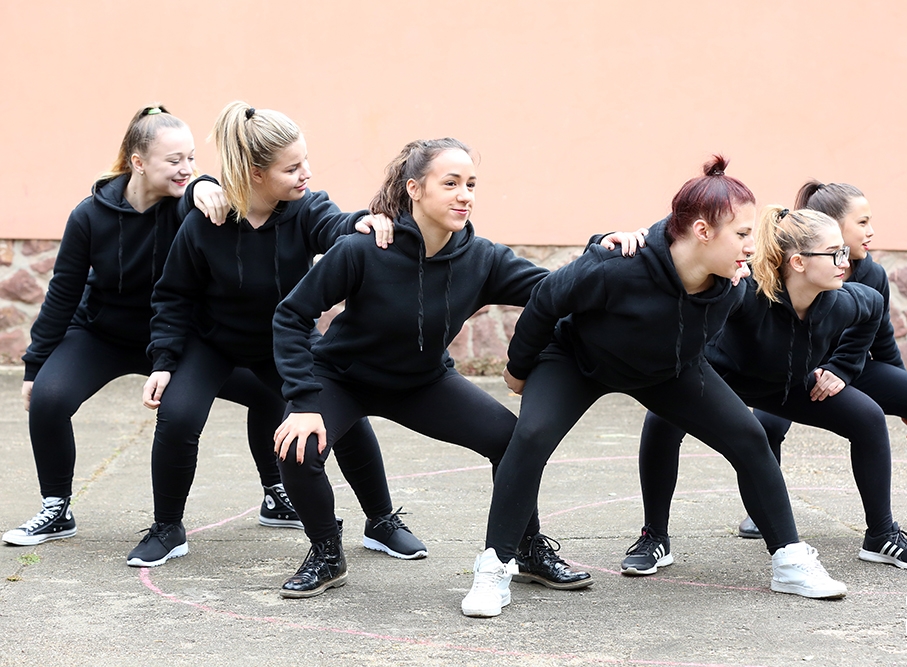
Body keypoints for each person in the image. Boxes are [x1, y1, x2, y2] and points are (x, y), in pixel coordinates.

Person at [462, 158, 849, 619]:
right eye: (742, 234)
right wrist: (517, 368)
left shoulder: (731, 285)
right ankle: (494, 567)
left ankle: (789, 560)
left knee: (748, 436)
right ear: (702, 231)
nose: (752, 245)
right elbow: (547, 299)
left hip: (667, 371)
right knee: (530, 436)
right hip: (576, 362)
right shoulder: (618, 264)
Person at [271, 137, 644, 599]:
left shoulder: (482, 258)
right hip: (342, 378)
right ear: (414, 189)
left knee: (511, 441)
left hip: (422, 383)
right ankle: (327, 553)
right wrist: (303, 401)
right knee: (297, 448)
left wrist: (600, 248)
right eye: (450, 183)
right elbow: (291, 315)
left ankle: (526, 549)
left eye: (471, 184)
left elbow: (555, 289)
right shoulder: (363, 249)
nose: (464, 195)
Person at [125, 102, 405, 567]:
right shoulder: (205, 221)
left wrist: (362, 221)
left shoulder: (305, 208)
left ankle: (381, 521)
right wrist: (164, 361)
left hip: (284, 342)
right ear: (256, 173)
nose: (305, 173)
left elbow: (333, 224)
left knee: (346, 414)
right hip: (212, 343)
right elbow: (172, 295)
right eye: (292, 168)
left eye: (305, 161)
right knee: (177, 416)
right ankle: (167, 528)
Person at [2, 104, 284, 547]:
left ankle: (276, 494)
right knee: (48, 399)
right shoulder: (89, 215)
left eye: (191, 158)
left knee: (269, 391)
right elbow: (62, 293)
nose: (186, 168)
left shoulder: (188, 206)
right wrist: (34, 366)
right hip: (102, 335)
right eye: (174, 160)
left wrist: (204, 185)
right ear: (138, 162)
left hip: (175, 341)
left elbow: (199, 190)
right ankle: (56, 508)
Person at [629, 205, 907, 580]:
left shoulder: (842, 302)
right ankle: (654, 537)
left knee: (868, 417)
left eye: (844, 251)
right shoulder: (746, 292)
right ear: (797, 262)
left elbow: (873, 310)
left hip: (784, 384)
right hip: (722, 376)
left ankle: (881, 535)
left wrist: (843, 367)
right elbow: (688, 290)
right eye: (834, 253)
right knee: (662, 419)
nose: (846, 262)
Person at [733, 181, 907, 539]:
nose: (871, 232)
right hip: (794, 369)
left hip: (850, 368)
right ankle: (762, 510)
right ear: (831, 226)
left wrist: (897, 393)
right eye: (862, 222)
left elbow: (881, 337)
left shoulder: (872, 274)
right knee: (768, 425)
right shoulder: (783, 270)